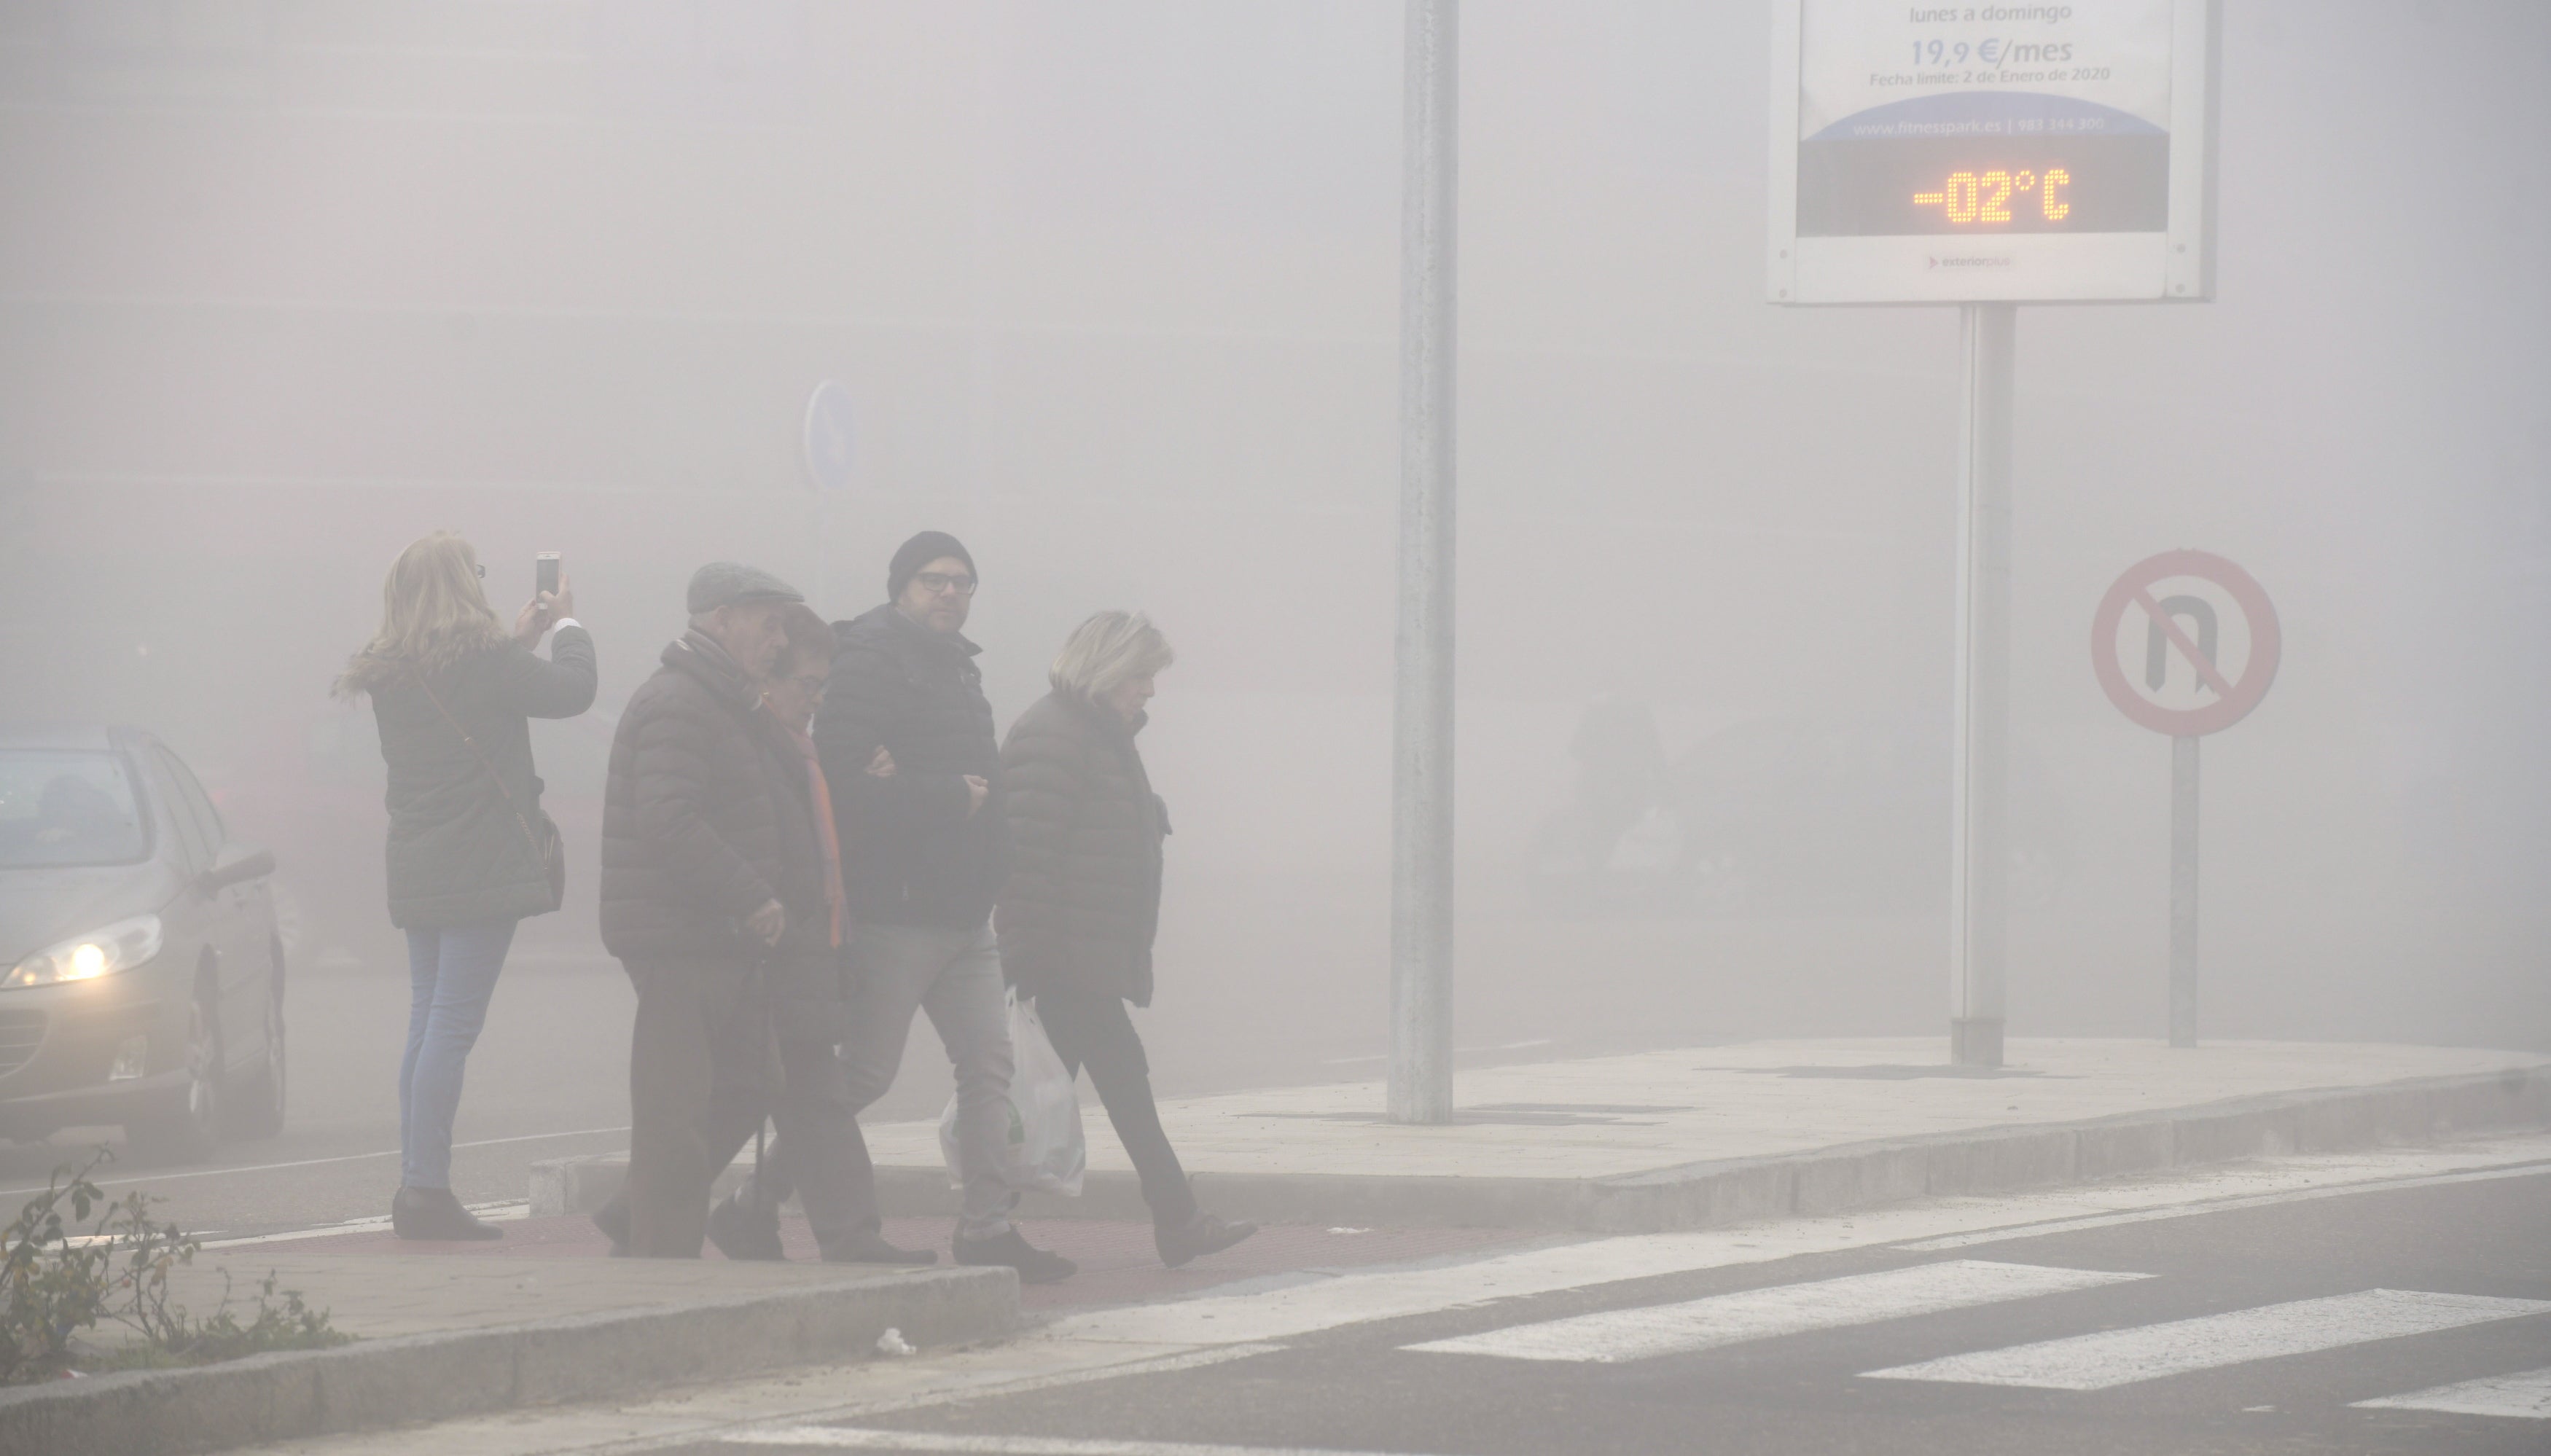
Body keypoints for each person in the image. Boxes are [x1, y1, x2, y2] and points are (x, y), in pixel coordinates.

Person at [816, 531, 1074, 1283]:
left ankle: (988, 1226)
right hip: (897, 906)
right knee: (863, 1075)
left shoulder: (957, 665)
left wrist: (994, 861)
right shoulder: (868, 660)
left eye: (963, 583)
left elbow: (972, 779)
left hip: (963, 909)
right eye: (935, 581)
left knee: (988, 1067)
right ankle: (757, 1199)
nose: (950, 594)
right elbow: (838, 776)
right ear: (901, 586)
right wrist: (937, 795)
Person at [337, 531, 594, 1241]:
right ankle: (424, 1190)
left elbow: (475, 693)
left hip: (421, 862)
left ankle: (418, 1182)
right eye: (477, 571)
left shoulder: (395, 671)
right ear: (460, 585)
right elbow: (573, 692)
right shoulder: (483, 663)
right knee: (450, 1026)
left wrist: (517, 640)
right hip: (480, 866)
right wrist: (566, 624)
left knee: (427, 1022)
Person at [997, 611, 1255, 1268]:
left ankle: (1175, 1220)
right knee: (1045, 1098)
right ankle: (989, 1225)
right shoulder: (1056, 737)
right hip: (1061, 959)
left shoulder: (1098, 734)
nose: (1150, 690)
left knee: (1069, 1094)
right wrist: (1026, 957)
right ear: (1107, 668)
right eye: (1141, 674)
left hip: (1084, 955)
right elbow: (1025, 855)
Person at [595, 562, 805, 1258]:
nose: (780, 641)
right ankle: (661, 1270)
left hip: (724, 940)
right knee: (675, 1118)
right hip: (680, 937)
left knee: (752, 1085)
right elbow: (668, 819)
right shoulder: (681, 701)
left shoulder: (729, 700)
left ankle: (637, 1210)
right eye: (768, 623)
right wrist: (750, 896)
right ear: (720, 620)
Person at [716, 606, 935, 1264]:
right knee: (799, 1098)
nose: (817, 701)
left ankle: (847, 1234)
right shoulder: (757, 748)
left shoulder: (798, 751)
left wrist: (870, 789)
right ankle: (850, 1236)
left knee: (790, 1098)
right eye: (808, 685)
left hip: (807, 948)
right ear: (767, 683)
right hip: (775, 949)